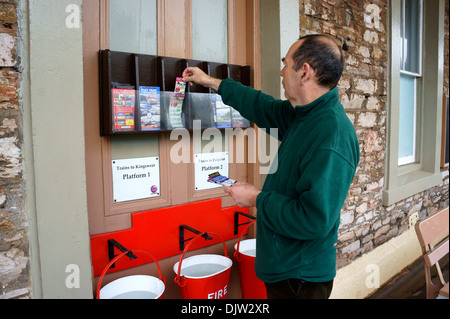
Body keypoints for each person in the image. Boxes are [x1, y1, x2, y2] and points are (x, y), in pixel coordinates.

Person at [182, 34, 360, 299]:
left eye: (286, 64)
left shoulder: (331, 135)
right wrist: (209, 81)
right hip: (285, 269)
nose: (281, 71)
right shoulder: (304, 114)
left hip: (300, 279)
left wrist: (255, 197)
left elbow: (313, 220)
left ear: (305, 72)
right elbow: (260, 105)